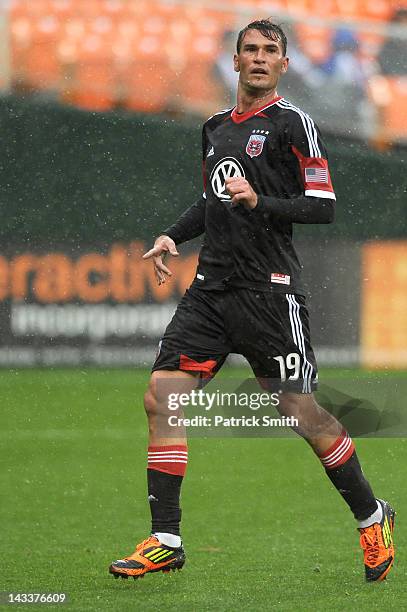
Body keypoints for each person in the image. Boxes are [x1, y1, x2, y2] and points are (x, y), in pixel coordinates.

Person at [109, 19, 395, 583]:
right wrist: (173, 234)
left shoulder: (296, 125)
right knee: (160, 397)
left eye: (270, 51)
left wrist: (261, 199)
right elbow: (213, 196)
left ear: (284, 65)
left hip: (270, 292)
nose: (260, 58)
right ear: (235, 61)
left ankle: (371, 515)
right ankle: (166, 538)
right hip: (211, 290)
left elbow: (323, 206)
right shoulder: (215, 127)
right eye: (250, 50)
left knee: (301, 412)